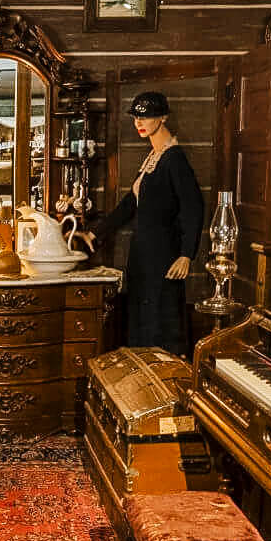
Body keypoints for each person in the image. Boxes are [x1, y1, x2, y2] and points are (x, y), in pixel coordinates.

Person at [78, 91, 205, 355]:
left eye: (146, 116)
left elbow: (194, 207)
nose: (139, 122)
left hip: (164, 256)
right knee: (142, 320)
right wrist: (96, 233)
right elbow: (130, 204)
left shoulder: (174, 158)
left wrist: (185, 255)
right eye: (136, 117)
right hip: (142, 254)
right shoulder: (153, 158)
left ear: (163, 117)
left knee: (161, 321)